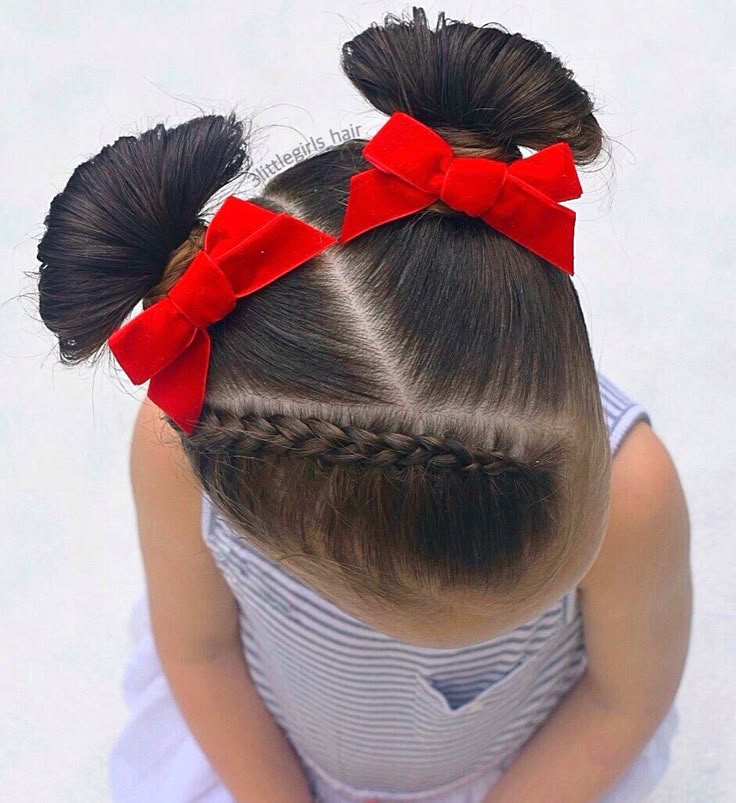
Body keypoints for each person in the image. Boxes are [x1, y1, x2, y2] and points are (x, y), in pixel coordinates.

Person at [34, 7, 691, 802]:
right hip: (261, 757)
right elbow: (200, 650)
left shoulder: (633, 496)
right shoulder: (185, 449)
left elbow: (622, 697)